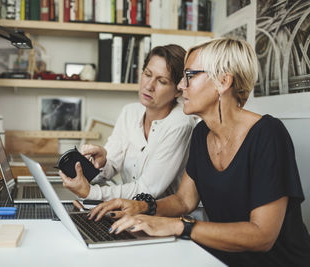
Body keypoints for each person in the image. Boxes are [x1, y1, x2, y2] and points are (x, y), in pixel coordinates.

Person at [88, 38, 310, 267]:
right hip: (218, 258)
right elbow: (184, 200)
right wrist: (142, 207)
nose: (181, 86)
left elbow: (262, 236)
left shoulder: (269, 135)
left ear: (223, 82)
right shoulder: (202, 132)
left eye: (190, 76)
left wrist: (179, 226)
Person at [60, 45, 196, 201]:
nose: (149, 86)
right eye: (147, 74)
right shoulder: (130, 112)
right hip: (128, 212)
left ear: (178, 89)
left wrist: (90, 193)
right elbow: (110, 167)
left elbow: (147, 190)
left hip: (164, 219)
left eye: (162, 81)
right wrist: (103, 162)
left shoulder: (180, 123)